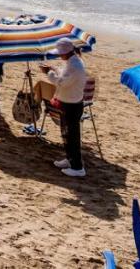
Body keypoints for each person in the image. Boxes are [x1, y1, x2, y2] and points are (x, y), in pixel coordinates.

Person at [37, 39, 88, 177]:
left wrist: (48, 73)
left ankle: (78, 167)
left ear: (66, 53)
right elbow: (64, 76)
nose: (60, 56)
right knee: (66, 133)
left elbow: (61, 82)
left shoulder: (75, 66)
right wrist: (54, 69)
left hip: (72, 105)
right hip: (69, 103)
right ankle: (70, 159)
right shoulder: (72, 62)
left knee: (72, 136)